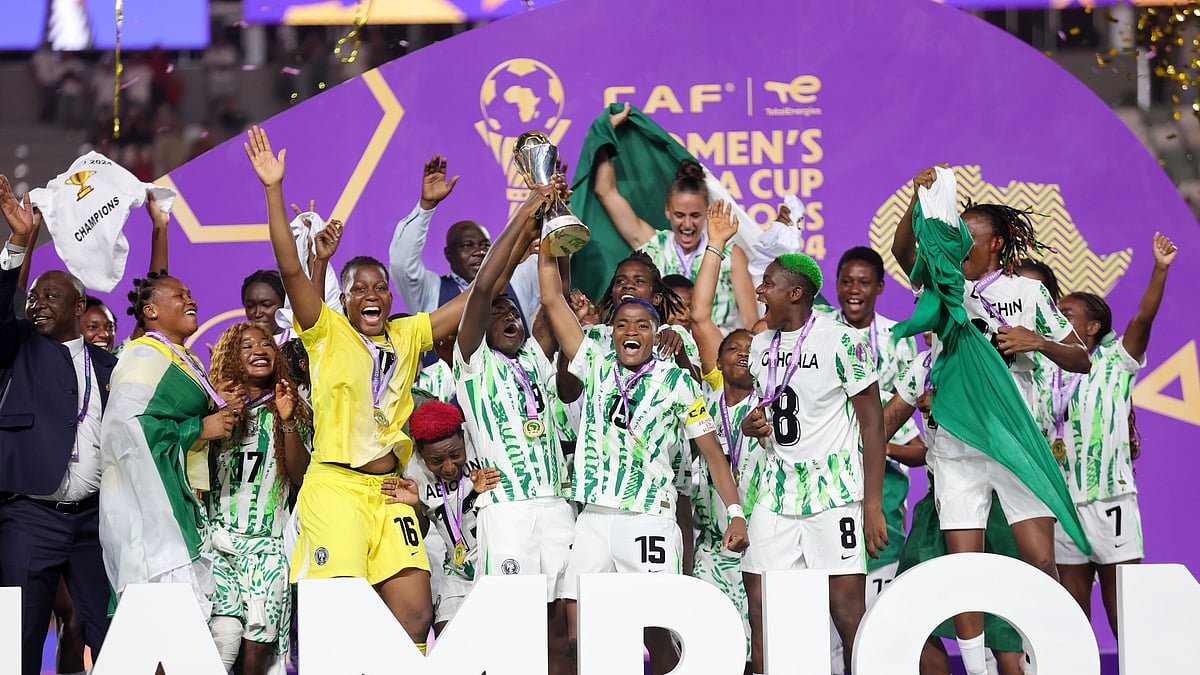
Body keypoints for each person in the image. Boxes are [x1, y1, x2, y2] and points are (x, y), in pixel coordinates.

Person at [246, 125, 468, 655]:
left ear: (391, 296)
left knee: (416, 615)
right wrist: (273, 189)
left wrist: (528, 225)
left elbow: (477, 293)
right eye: (358, 288)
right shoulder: (324, 331)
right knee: (340, 622)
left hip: (389, 491)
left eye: (379, 286)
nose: (371, 293)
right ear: (342, 301)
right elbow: (286, 265)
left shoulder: (407, 333)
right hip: (337, 488)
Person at [890, 165, 1092, 675]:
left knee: (1040, 561)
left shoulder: (1027, 294)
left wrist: (1037, 341)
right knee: (966, 570)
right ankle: (977, 670)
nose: (960, 249)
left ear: (998, 243)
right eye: (956, 238)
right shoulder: (942, 285)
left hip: (1012, 445)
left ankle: (1044, 656)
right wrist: (919, 200)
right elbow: (902, 253)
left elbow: (1081, 358)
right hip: (956, 450)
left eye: (971, 241)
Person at [538, 244, 749, 675]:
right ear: (611, 330)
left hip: (648, 519)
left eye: (640, 325)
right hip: (593, 520)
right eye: (621, 324)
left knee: (656, 627)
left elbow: (712, 454)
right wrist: (547, 242)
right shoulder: (594, 359)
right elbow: (550, 300)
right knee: (580, 633)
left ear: (655, 333)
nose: (629, 331)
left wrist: (736, 513)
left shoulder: (677, 382)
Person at [738, 251, 888, 675]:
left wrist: (871, 505)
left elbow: (873, 426)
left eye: (769, 283)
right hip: (773, 492)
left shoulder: (843, 341)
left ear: (796, 292)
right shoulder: (762, 344)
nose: (760, 291)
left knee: (845, 613)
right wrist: (756, 423)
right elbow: (776, 407)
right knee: (764, 608)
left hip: (833, 495)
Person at [454, 183, 575, 674]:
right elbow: (483, 288)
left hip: (557, 507)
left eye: (514, 311)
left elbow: (557, 298)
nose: (508, 315)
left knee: (564, 630)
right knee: (509, 627)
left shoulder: (535, 358)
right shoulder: (471, 361)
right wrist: (526, 211)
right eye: (498, 313)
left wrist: (557, 218)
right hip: (506, 510)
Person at [0, 176, 118, 675]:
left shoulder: (110, 366)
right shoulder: (18, 347)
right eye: (34, 297)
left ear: (80, 307)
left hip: (95, 520)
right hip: (31, 514)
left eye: (50, 296)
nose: (38, 303)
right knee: (15, 640)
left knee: (115, 635)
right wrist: (18, 244)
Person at [99, 271, 244, 622]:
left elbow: (167, 414)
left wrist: (216, 406)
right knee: (162, 624)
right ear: (151, 311)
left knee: (187, 626)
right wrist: (199, 428)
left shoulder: (184, 358)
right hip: (149, 513)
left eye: (190, 293)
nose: (190, 300)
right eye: (179, 295)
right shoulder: (141, 357)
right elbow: (126, 432)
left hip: (182, 502)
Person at [1054, 233, 1176, 639]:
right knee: (1070, 617)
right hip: (1064, 505)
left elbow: (1143, 318)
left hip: (1111, 502)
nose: (1057, 319)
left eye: (1066, 314)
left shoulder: (1116, 361)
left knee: (1123, 611)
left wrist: (1159, 269)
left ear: (1093, 326)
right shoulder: (1043, 369)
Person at [205, 322, 312, 675]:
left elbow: (299, 476)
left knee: (256, 653)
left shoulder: (293, 407)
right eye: (246, 345)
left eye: (266, 344)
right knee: (223, 638)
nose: (259, 350)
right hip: (218, 544)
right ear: (230, 357)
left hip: (267, 547)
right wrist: (215, 404)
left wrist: (286, 419)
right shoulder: (212, 405)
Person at [594, 104, 756, 332]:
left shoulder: (730, 254)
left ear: (707, 213)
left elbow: (750, 321)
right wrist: (606, 134)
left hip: (715, 356)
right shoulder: (654, 245)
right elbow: (606, 192)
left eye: (695, 215)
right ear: (667, 211)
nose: (687, 224)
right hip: (661, 355)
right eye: (680, 215)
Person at [690, 202, 767, 669]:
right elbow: (700, 317)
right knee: (710, 648)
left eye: (751, 348)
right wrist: (715, 245)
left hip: (763, 542)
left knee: (762, 643)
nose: (742, 352)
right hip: (712, 546)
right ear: (716, 363)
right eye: (732, 348)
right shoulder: (710, 395)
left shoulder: (777, 400)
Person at [388, 154, 540, 328]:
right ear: (448, 254)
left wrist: (554, 201)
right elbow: (402, 264)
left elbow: (553, 252)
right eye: (467, 245)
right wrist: (425, 208)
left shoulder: (516, 282)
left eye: (485, 245)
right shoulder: (430, 290)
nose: (479, 251)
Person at [390, 401, 499, 633]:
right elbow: (418, 532)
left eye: (455, 454)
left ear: (463, 436)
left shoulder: (481, 442)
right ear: (420, 452)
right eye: (437, 461)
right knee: (445, 638)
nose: (449, 467)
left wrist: (487, 494)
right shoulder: (412, 469)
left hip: (491, 559)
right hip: (456, 568)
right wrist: (414, 508)